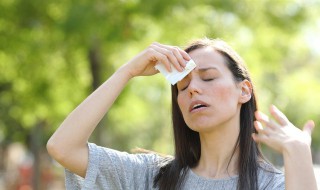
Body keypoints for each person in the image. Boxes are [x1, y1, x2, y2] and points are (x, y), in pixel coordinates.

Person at [47, 38, 317, 190]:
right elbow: (62, 147)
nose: (193, 90)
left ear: (244, 91)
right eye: (182, 86)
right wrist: (126, 72)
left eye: (208, 78)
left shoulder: (274, 185)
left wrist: (298, 152)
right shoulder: (150, 177)